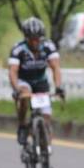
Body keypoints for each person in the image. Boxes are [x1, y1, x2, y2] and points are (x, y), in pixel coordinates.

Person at [7, 17, 65, 158]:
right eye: (32, 39)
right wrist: (16, 88)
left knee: (46, 116)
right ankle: (22, 125)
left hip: (40, 81)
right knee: (25, 95)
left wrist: (58, 87)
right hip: (24, 80)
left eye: (38, 39)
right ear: (26, 38)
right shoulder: (18, 49)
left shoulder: (48, 46)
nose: (35, 42)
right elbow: (13, 71)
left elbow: (55, 68)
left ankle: (45, 150)